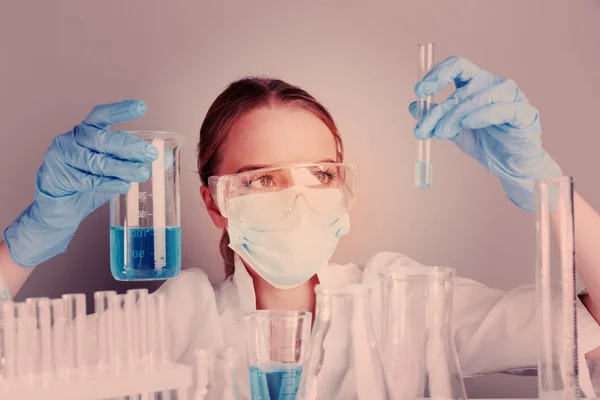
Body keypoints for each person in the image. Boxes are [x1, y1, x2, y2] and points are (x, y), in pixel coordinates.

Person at [2, 56, 600, 395]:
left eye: (319, 172)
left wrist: (546, 188)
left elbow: (591, 324)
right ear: (214, 202)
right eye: (263, 179)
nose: (299, 197)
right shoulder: (178, 315)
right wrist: (25, 244)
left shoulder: (406, 300)